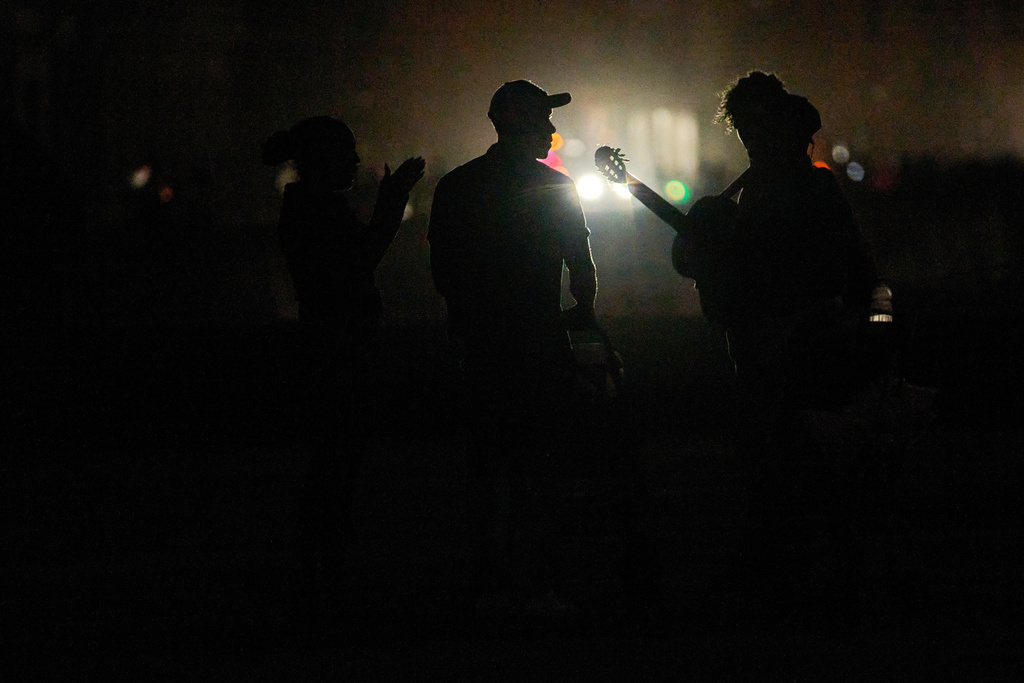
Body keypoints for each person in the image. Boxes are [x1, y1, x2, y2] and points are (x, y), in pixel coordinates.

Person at [677, 72, 878, 616]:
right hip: (764, 350)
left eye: (754, 125)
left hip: (801, 347)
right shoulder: (752, 189)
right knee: (770, 465)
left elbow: (855, 269)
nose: (748, 137)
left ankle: (804, 575)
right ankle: (784, 570)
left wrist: (871, 330)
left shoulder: (803, 188)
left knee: (794, 465)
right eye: (741, 126)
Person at [428, 80, 597, 613]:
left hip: (482, 346)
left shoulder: (458, 187)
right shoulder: (554, 188)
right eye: (543, 119)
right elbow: (582, 267)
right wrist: (582, 315)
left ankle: (485, 576)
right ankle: (536, 577)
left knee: (484, 467)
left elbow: (444, 270)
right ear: (520, 125)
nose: (551, 129)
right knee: (538, 466)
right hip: (539, 342)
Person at [261, 116, 424, 614]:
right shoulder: (316, 210)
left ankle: (318, 574)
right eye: (347, 152)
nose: (356, 161)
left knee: (331, 465)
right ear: (323, 159)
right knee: (335, 465)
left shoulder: (308, 205)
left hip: (327, 346)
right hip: (337, 350)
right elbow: (363, 258)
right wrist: (393, 198)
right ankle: (322, 578)